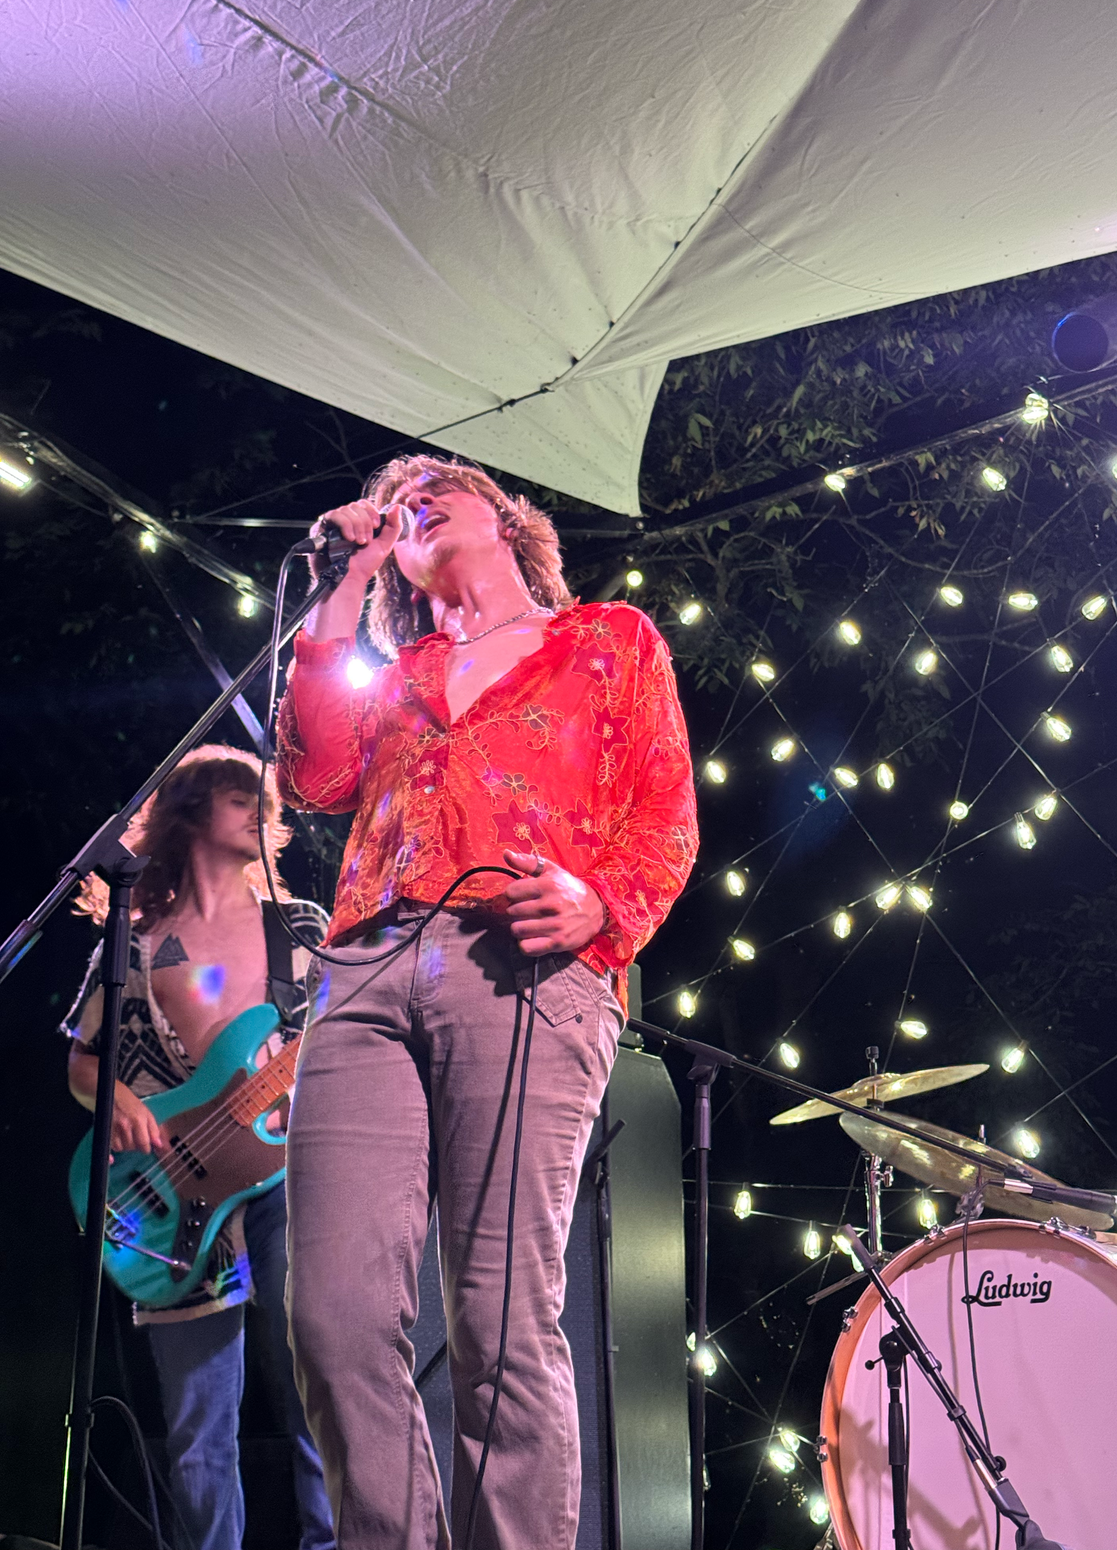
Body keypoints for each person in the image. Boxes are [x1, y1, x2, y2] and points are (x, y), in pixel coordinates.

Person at [275, 454, 699, 1550]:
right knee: (332, 1315)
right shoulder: (394, 672)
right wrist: (339, 586)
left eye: (439, 490)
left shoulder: (607, 640)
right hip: (365, 965)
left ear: (508, 522)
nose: (411, 501)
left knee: (499, 1318)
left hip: (523, 964)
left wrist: (602, 903)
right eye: (396, 503)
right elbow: (314, 775)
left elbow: (665, 813)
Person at [63, 746, 335, 1550]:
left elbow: (349, 1040)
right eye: (235, 793)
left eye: (263, 798)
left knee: (321, 1393)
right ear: (190, 809)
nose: (258, 808)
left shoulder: (301, 929)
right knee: (198, 1432)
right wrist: (115, 1097)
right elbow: (82, 1058)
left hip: (287, 1179)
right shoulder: (136, 940)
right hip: (169, 1189)